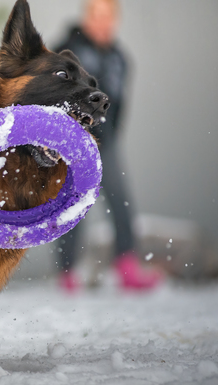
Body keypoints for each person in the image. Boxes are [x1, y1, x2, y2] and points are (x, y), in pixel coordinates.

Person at [55, 0, 160, 291]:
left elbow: (120, 104)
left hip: (106, 139)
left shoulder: (119, 59)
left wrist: (112, 137)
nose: (101, 23)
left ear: (116, 20)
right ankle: (67, 273)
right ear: (86, 18)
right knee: (72, 206)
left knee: (121, 200)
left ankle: (126, 265)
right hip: (73, 141)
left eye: (107, 17)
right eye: (96, 15)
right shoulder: (67, 50)